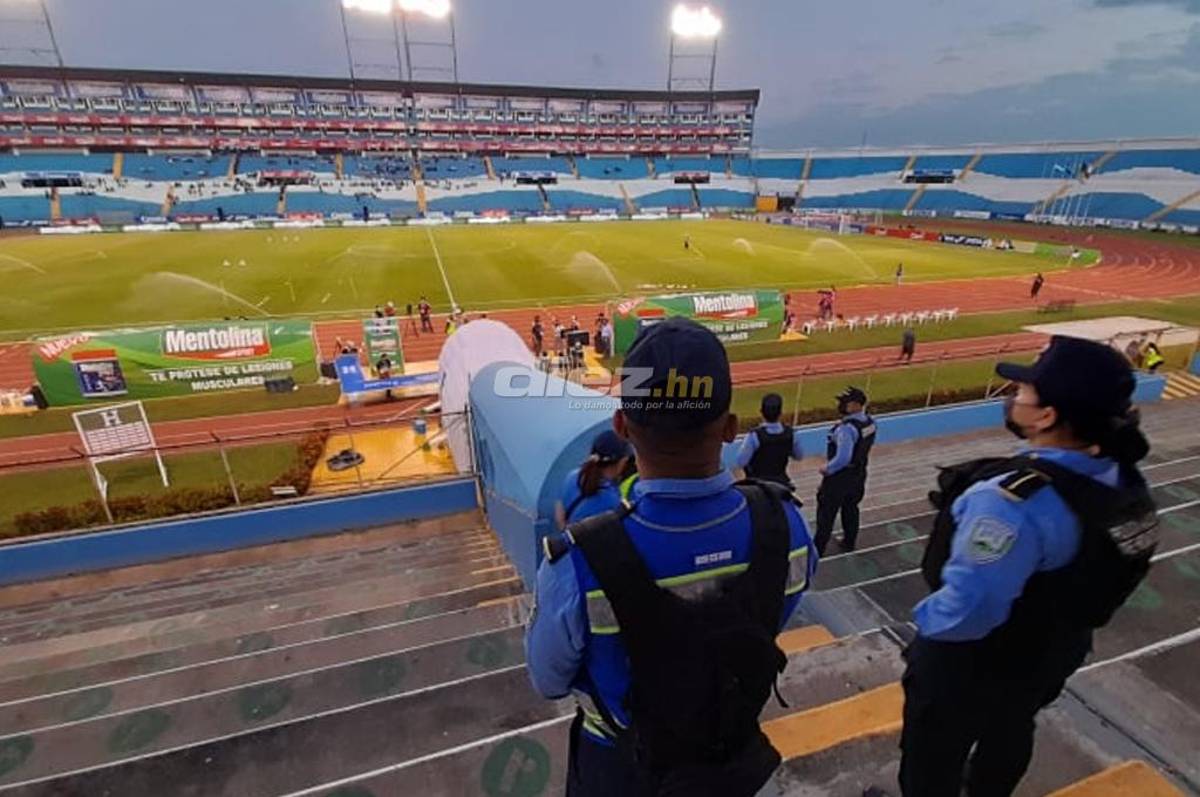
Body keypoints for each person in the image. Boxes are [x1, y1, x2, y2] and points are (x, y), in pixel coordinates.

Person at [526, 318, 818, 797]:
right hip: (731, 759)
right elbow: (776, 612)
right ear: (729, 428)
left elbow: (548, 680)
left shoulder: (574, 563)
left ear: (622, 426)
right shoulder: (786, 525)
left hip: (618, 767)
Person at [865, 336, 1157, 797]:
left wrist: (922, 638)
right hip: (1051, 653)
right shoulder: (1119, 478)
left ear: (1047, 416)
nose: (1012, 396)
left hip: (974, 666)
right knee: (1012, 730)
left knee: (930, 759)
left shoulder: (1009, 504)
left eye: (1023, 391)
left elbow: (971, 608)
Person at [813, 387, 876, 555]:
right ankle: (849, 542)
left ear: (855, 405)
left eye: (845, 403)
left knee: (826, 513)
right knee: (851, 508)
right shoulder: (869, 422)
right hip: (859, 473)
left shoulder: (846, 429)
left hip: (840, 478)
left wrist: (827, 469)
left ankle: (818, 549)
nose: (840, 405)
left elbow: (843, 457)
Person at [555, 430, 634, 529]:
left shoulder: (572, 477)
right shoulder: (613, 502)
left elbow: (559, 516)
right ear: (623, 462)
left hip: (569, 541)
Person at [736, 393, 804, 489]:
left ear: (761, 412)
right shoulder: (791, 434)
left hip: (758, 487)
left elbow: (740, 462)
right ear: (781, 413)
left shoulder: (754, 436)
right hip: (781, 484)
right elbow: (799, 456)